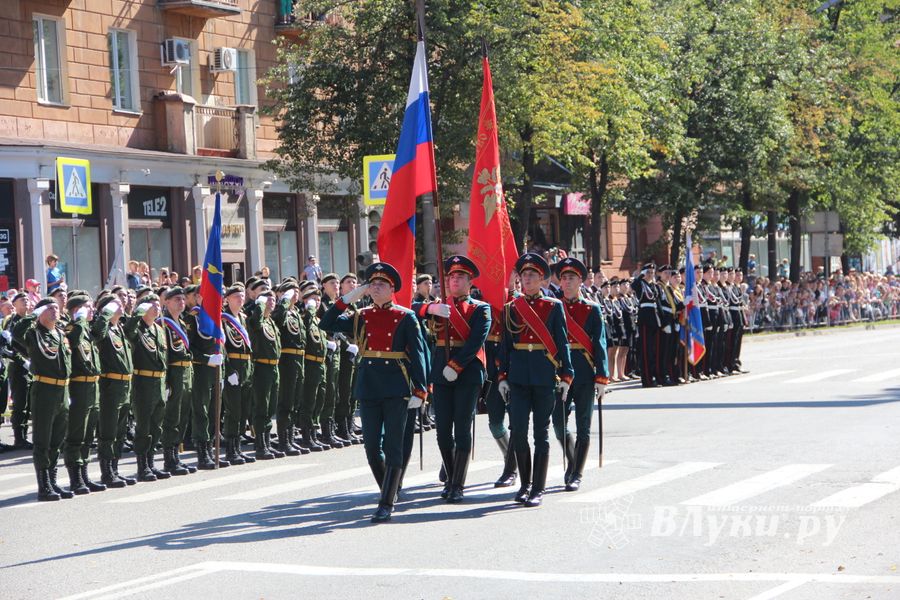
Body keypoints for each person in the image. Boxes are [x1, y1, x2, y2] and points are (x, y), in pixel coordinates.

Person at [319, 262, 428, 523]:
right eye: (372, 284)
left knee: (392, 445)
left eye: (381, 284)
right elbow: (327, 322)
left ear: (393, 290)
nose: (376, 288)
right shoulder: (361, 315)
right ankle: (389, 488)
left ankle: (386, 501)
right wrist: (349, 298)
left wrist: (420, 389)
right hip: (369, 385)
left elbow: (419, 354)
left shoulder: (405, 317)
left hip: (396, 386)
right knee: (371, 447)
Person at [497, 253, 573, 507]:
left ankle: (538, 488)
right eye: (524, 275)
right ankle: (525, 483)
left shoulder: (553, 306)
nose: (527, 279)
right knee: (518, 431)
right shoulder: (511, 308)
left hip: (544, 376)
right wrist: (502, 377)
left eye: (532, 275)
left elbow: (562, 342)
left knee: (541, 434)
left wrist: (566, 375)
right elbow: (505, 346)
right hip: (518, 377)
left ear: (542, 279)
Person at [413, 255, 490, 502]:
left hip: (467, 372)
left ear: (470, 282)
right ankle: (450, 469)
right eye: (451, 277)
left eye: (460, 277)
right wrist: (430, 308)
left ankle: (458, 483)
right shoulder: (439, 305)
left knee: (462, 427)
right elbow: (408, 309)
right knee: (443, 431)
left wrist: (456, 365)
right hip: (441, 373)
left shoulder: (481, 308)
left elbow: (477, 340)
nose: (455, 280)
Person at [551, 257, 609, 492]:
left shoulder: (591, 309)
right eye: (563, 278)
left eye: (571, 278)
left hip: (584, 372)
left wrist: (602, 377)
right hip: (560, 373)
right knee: (558, 424)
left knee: (583, 425)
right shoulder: (554, 307)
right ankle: (573, 460)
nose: (566, 282)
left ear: (580, 281)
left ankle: (576, 472)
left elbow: (600, 344)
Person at [15, 298, 72, 501]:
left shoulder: (61, 333)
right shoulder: (33, 333)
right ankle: (43, 485)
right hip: (45, 389)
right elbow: (16, 333)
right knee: (43, 440)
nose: (55, 311)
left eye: (56, 307)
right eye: (49, 308)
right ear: (40, 313)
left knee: (57, 440)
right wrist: (33, 313)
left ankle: (53, 480)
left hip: (62, 391)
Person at [124, 294, 170, 482]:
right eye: (152, 305)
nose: (156, 308)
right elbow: (128, 332)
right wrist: (137, 314)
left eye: (158, 304)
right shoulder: (137, 329)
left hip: (159, 382)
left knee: (156, 426)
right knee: (143, 427)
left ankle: (151, 462)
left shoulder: (159, 329)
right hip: (143, 382)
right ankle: (142, 466)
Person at [63, 292, 105, 494]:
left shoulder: (87, 330)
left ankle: (84, 475)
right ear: (76, 310)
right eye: (87, 307)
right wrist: (79, 318)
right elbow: (73, 341)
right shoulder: (73, 328)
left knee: (88, 435)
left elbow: (101, 332)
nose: (92, 310)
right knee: (77, 434)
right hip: (79, 387)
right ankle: (75, 478)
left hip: (92, 386)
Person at [160, 287, 196, 475]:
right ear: (166, 302)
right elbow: (164, 353)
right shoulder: (163, 324)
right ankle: (169, 459)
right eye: (176, 299)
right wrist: (165, 381)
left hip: (185, 371)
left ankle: (176, 455)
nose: (181, 302)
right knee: (172, 416)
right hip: (173, 372)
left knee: (182, 416)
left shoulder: (181, 322)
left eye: (183, 299)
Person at [221, 284, 256, 465]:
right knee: (233, 410)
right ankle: (230, 450)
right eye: (236, 296)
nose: (240, 298)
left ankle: (238, 448)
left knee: (243, 410)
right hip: (233, 367)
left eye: (242, 296)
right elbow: (222, 348)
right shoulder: (223, 320)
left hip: (246, 367)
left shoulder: (243, 318)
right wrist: (228, 371)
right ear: (227, 299)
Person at [272, 279, 307, 456]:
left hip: (298, 359)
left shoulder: (296, 312)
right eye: (291, 291)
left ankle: (291, 438)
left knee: (295, 401)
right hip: (287, 360)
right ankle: (283, 440)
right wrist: (284, 301)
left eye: (296, 291)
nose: (296, 293)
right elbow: (277, 319)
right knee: (286, 401)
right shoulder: (282, 310)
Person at [247, 288, 283, 460]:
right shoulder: (257, 320)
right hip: (261, 367)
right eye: (267, 299)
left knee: (270, 408)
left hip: (273, 368)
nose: (272, 301)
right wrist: (259, 305)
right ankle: (260, 445)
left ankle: (267, 442)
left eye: (273, 299)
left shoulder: (271, 322)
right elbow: (255, 323)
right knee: (261, 406)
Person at [631, 263, 662, 388]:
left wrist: (662, 321)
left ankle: (653, 376)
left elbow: (657, 302)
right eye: (648, 272)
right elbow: (634, 285)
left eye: (652, 272)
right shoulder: (640, 284)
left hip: (654, 319)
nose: (651, 274)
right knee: (646, 351)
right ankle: (647, 379)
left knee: (653, 350)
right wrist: (640, 276)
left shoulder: (654, 286)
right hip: (645, 319)